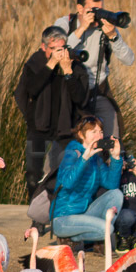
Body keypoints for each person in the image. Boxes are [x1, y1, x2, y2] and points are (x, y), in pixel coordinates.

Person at [14, 26, 91, 196]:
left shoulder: (75, 65)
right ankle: (35, 208)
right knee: (33, 174)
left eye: (62, 48)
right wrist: (50, 65)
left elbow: (80, 99)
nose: (59, 53)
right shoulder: (35, 64)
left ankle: (59, 207)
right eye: (54, 49)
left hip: (66, 129)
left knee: (66, 171)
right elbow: (29, 90)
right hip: (38, 128)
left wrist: (68, 72)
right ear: (44, 47)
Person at [51, 0, 134, 140]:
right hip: (70, 90)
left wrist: (113, 37)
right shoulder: (65, 23)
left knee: (112, 138)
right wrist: (81, 28)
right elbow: (56, 53)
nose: (97, 14)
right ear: (80, 9)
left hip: (98, 90)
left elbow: (129, 60)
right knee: (66, 141)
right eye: (92, 10)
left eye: (100, 10)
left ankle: (112, 154)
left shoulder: (105, 27)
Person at [50, 116, 133, 245]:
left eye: (101, 132)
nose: (99, 136)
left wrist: (115, 158)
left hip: (84, 215)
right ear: (81, 134)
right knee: (107, 229)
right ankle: (72, 238)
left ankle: (84, 238)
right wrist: (84, 158)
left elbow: (111, 185)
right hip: (63, 218)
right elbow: (67, 183)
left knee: (116, 194)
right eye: (94, 132)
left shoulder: (96, 159)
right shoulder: (72, 153)